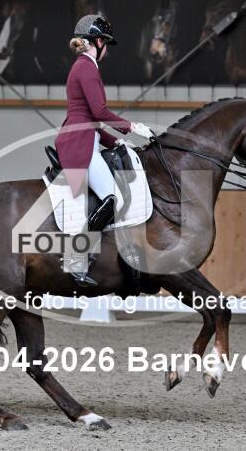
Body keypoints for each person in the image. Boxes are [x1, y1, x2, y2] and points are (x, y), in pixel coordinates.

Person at [54, 15, 154, 287]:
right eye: (105, 43)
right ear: (97, 42)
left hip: (83, 138)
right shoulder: (86, 67)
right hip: (79, 144)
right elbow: (98, 112)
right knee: (112, 198)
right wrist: (132, 127)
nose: (106, 49)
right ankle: (75, 259)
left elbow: (90, 119)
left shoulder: (82, 66)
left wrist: (116, 143)